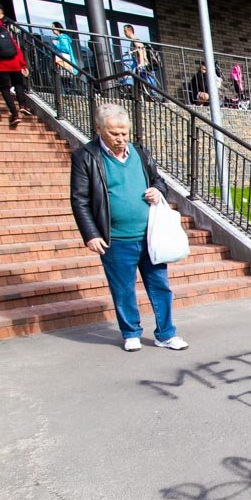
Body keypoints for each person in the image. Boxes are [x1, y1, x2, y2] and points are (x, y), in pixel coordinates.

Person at [70, 103, 189, 352]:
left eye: (124, 132)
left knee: (160, 286)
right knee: (123, 288)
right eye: (115, 133)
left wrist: (158, 190)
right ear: (99, 129)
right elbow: (80, 199)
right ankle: (131, 332)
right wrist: (90, 234)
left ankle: (166, 333)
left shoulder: (140, 152)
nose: (121, 138)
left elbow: (158, 179)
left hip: (150, 235)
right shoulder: (86, 157)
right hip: (115, 238)